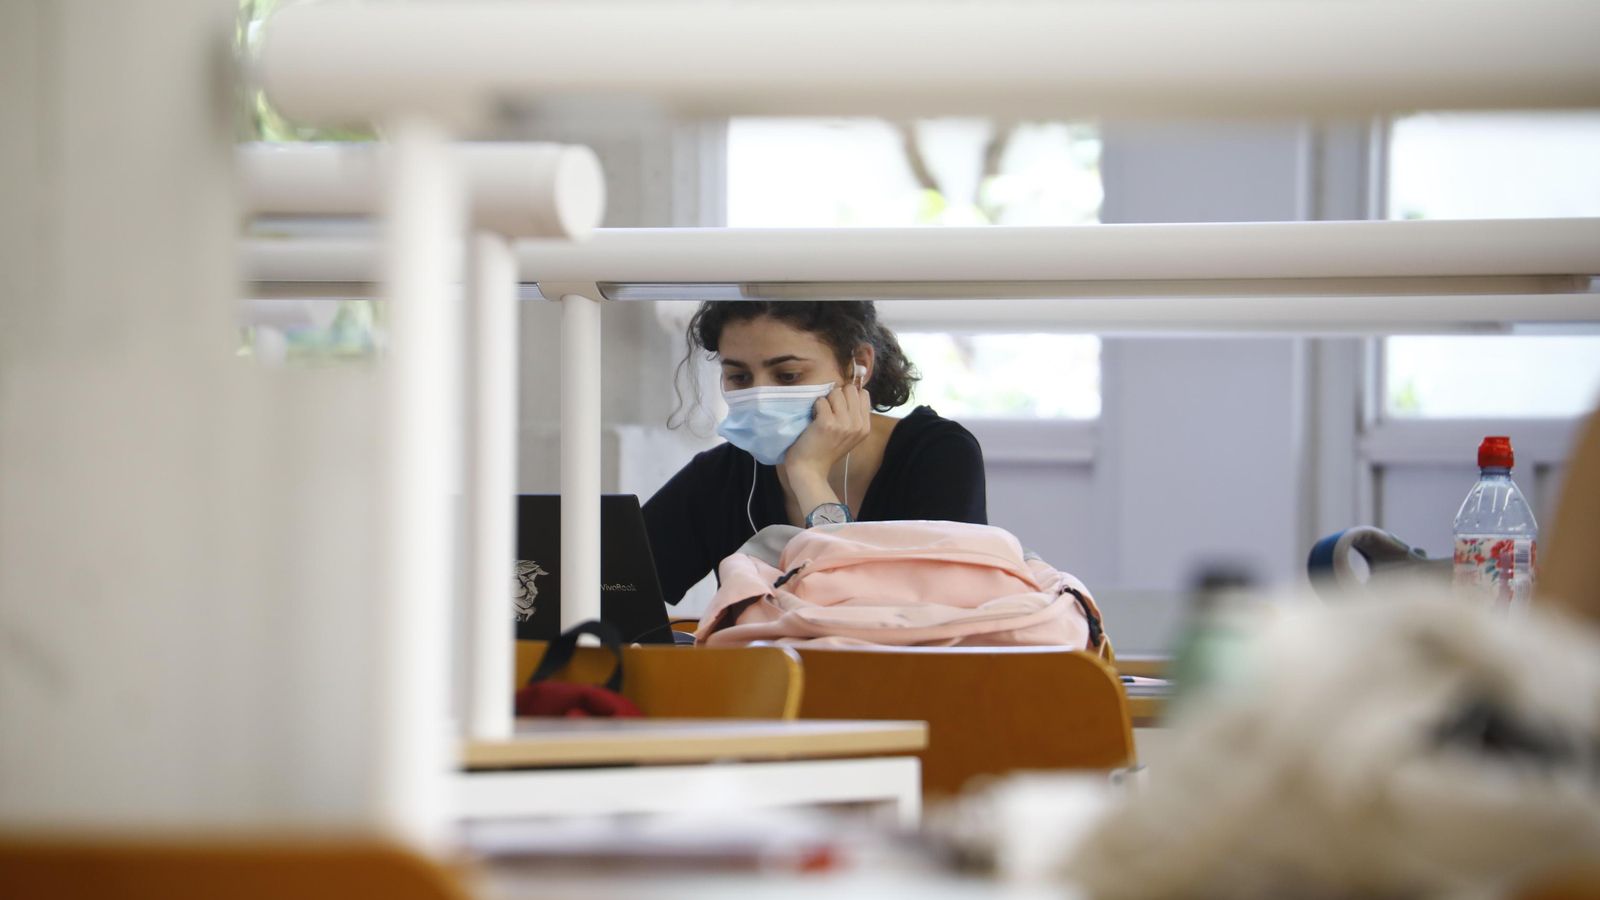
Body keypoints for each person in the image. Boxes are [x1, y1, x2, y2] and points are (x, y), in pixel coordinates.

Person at [644, 300, 987, 606]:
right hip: (770, 676)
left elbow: (871, 615)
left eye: (788, 375)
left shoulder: (938, 454)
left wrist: (808, 473)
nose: (761, 393)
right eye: (740, 376)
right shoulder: (723, 473)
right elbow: (617, 583)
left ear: (858, 367)